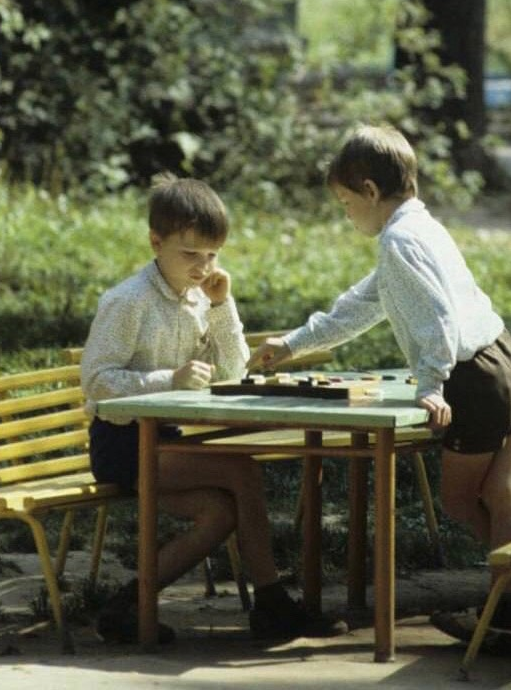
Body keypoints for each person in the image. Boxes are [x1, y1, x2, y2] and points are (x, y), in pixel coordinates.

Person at [248, 125, 511, 646]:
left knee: (458, 498)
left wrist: (431, 382)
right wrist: (292, 344)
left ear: (370, 191)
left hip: (473, 379)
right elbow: (363, 304)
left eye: (345, 201)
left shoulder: (400, 241)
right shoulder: (421, 228)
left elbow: (437, 317)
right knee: (499, 493)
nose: (345, 213)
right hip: (507, 361)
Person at [81, 173, 346, 644]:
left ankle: (127, 606)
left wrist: (222, 306)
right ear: (155, 242)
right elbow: (98, 385)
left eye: (212, 255)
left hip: (167, 443)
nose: (203, 267)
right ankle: (272, 606)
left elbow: (233, 371)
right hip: (122, 445)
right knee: (242, 472)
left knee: (220, 511)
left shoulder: (199, 297)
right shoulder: (128, 301)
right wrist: (169, 380)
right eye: (190, 254)